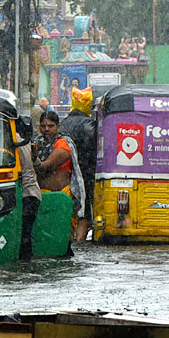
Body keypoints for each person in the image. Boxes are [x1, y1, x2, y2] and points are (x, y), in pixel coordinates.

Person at [59, 86, 97, 241]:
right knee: (84, 208)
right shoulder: (89, 125)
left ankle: (67, 237)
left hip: (65, 172)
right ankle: (79, 240)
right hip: (85, 171)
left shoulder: (63, 123)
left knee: (69, 205)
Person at [34, 109, 85, 222]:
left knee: (61, 230)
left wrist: (31, 160)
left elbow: (46, 166)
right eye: (43, 126)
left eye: (51, 126)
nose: (46, 129)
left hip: (61, 196)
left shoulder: (63, 143)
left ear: (58, 127)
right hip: (41, 196)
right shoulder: (37, 143)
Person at [17, 140, 41, 260]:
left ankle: (24, 263)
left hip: (23, 193)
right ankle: (26, 264)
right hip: (33, 193)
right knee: (25, 235)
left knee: (22, 236)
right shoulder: (26, 142)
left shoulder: (8, 139)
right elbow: (37, 164)